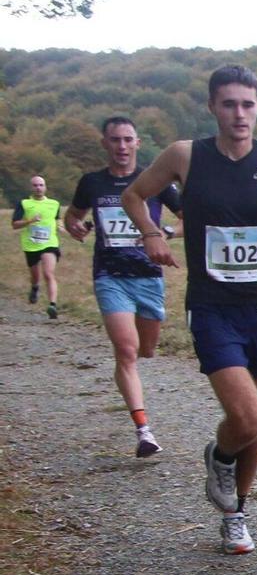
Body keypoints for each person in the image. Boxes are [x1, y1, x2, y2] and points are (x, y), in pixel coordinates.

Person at [123, 65, 257, 555]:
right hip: (213, 306)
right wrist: (150, 234)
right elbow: (134, 194)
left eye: (248, 105)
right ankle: (220, 454)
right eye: (229, 104)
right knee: (245, 417)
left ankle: (236, 512)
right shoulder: (186, 156)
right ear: (212, 106)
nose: (239, 114)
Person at [65, 116, 182, 457]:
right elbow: (71, 215)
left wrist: (163, 234)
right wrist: (74, 226)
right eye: (115, 140)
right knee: (127, 350)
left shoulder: (155, 182)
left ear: (137, 143)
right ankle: (143, 429)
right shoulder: (92, 183)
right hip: (109, 276)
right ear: (105, 143)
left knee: (146, 349)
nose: (121, 147)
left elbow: (191, 218)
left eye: (127, 140)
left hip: (148, 276)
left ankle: (139, 385)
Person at [12, 176, 62, 317]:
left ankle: (52, 305)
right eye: (35, 185)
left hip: (49, 243)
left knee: (48, 273)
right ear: (31, 188)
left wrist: (63, 228)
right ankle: (34, 287)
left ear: (45, 187)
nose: (38, 188)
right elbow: (15, 224)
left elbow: (57, 221)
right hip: (31, 245)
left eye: (41, 185)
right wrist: (30, 221)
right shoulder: (24, 203)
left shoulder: (54, 204)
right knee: (35, 276)